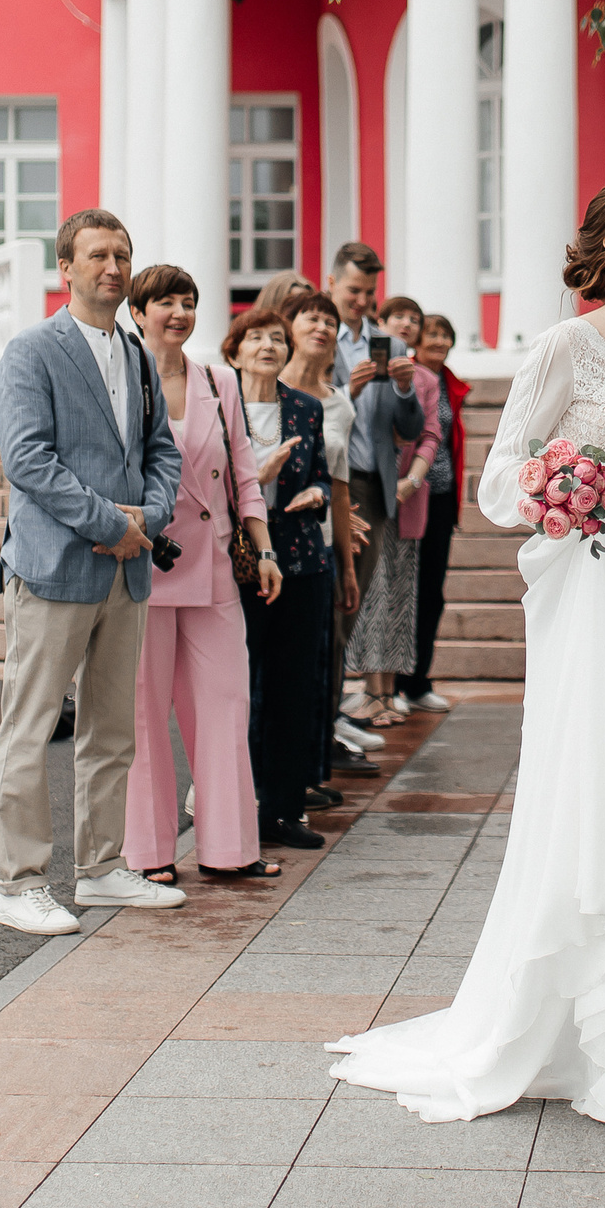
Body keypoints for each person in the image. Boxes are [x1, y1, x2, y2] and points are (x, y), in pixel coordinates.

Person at [327, 175, 605, 1123]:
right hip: (591, 578)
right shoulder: (564, 346)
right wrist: (564, 485)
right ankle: (563, 1028)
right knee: (599, 783)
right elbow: (501, 480)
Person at [0, 208, 185, 936]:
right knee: (31, 726)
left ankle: (101, 869)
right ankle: (20, 882)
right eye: (98, 254)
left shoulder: (134, 355)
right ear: (65, 268)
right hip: (52, 568)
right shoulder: (31, 351)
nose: (113, 266)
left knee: (113, 731)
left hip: (124, 574)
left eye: (123, 254)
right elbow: (29, 460)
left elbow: (162, 450)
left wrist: (151, 519)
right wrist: (113, 524)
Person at [122, 267, 289, 879]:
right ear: (137, 312)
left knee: (224, 705)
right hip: (142, 564)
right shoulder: (119, 379)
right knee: (143, 714)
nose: (179, 312)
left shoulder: (219, 380)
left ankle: (229, 850)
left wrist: (264, 551)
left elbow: (245, 472)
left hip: (215, 565)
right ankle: (148, 854)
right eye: (164, 301)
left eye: (188, 302)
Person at [231, 305, 338, 854]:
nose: (269, 346)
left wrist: (318, 492)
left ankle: (284, 809)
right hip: (239, 563)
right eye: (256, 338)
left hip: (301, 559)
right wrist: (258, 473)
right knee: (242, 689)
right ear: (235, 349)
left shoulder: (305, 408)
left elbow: (319, 471)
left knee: (295, 688)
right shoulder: (217, 404)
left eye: (277, 337)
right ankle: (238, 805)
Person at [278, 288, 374, 791]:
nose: (321, 328)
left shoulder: (339, 404)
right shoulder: (261, 386)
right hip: (270, 543)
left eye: (329, 321)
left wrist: (349, 567)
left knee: (322, 662)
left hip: (320, 551)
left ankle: (309, 772)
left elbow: (339, 486)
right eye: (311, 319)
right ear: (289, 327)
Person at [326, 244, 423, 731]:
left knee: (354, 598)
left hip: (375, 481)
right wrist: (350, 393)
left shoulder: (392, 346)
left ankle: (336, 712)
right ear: (331, 284)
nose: (362, 301)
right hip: (332, 484)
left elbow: (410, 428)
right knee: (333, 602)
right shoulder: (322, 339)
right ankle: (331, 709)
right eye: (353, 290)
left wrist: (405, 388)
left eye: (369, 292)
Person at [344, 295, 443, 716]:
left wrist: (413, 479)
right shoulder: (359, 367)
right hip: (369, 492)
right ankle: (372, 690)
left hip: (410, 497)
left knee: (400, 596)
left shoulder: (424, 378)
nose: (406, 323)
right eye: (397, 316)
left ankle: (389, 691)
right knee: (372, 593)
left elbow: (429, 433)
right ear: (379, 324)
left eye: (414, 318)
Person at [398, 311, 470, 716]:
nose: (440, 341)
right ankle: (389, 682)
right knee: (402, 589)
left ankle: (418, 681)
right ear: (417, 341)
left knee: (432, 593)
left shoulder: (450, 383)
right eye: (433, 334)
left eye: (446, 335)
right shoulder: (406, 376)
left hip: (440, 496)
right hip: (407, 495)